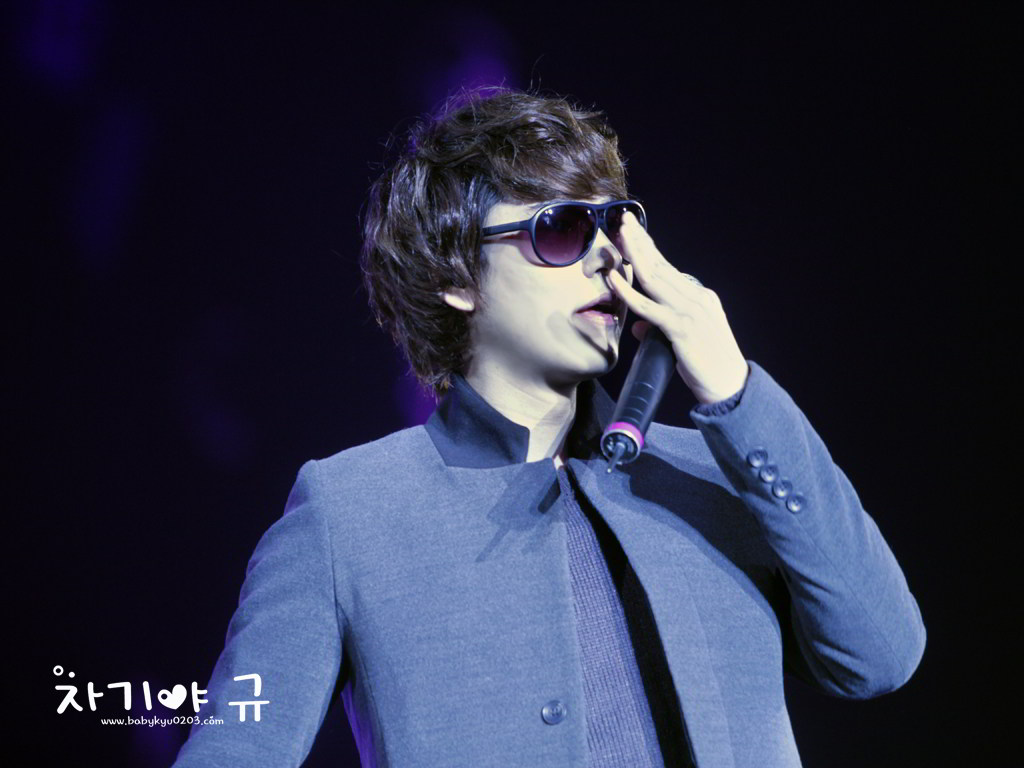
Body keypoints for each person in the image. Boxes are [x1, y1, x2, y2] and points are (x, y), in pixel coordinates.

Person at [171, 87, 926, 768]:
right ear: (457, 276)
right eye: (561, 229)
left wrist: (736, 392)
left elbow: (880, 654)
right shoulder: (351, 512)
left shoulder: (719, 471)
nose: (604, 258)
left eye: (616, 226)